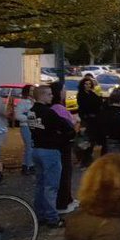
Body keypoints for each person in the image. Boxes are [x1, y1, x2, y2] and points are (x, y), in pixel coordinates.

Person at [26, 85, 73, 229]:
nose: (52, 96)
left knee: (40, 184)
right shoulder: (48, 112)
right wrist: (64, 137)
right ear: (42, 95)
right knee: (51, 186)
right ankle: (52, 217)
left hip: (36, 150)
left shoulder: (31, 112)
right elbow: (66, 127)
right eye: (49, 94)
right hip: (50, 151)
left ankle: (40, 214)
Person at [51, 80, 78, 214]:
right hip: (63, 144)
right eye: (64, 89)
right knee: (65, 173)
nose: (66, 91)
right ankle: (63, 202)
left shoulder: (57, 107)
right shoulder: (58, 108)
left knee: (66, 172)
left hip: (61, 144)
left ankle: (68, 199)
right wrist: (74, 121)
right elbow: (68, 125)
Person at [76, 76, 103, 167]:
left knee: (92, 140)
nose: (88, 85)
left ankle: (89, 159)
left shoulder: (92, 93)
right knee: (85, 140)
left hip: (94, 119)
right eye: (86, 84)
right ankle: (84, 160)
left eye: (89, 84)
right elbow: (84, 106)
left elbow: (99, 102)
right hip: (86, 119)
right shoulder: (81, 94)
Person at [13, 85, 36, 175]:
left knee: (31, 146)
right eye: (31, 90)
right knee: (29, 146)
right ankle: (29, 165)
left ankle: (26, 165)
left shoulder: (34, 101)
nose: (33, 92)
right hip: (26, 126)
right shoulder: (22, 102)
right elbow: (17, 115)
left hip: (33, 126)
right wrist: (29, 118)